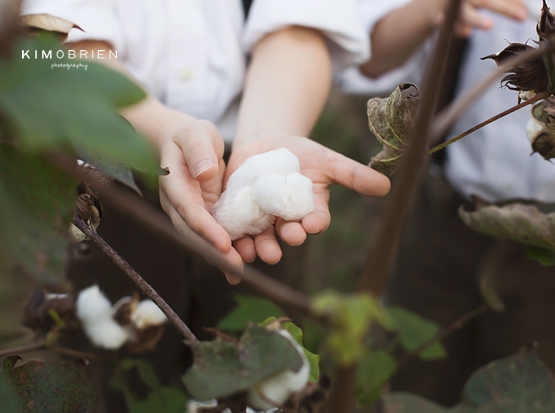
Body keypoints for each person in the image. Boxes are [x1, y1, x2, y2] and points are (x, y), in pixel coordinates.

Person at [21, 1, 390, 411]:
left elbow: (297, 26)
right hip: (107, 178)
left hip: (243, 163)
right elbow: (61, 47)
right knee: (121, 366)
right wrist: (164, 132)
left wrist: (271, 133)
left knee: (258, 365)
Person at [343, 0, 555, 404]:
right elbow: (368, 57)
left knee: (525, 384)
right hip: (444, 216)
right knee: (412, 369)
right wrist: (429, 10)